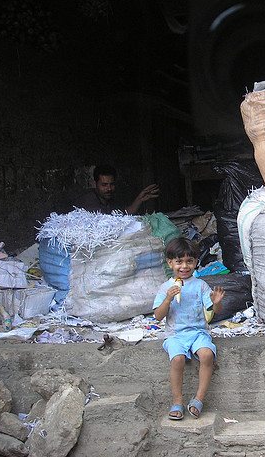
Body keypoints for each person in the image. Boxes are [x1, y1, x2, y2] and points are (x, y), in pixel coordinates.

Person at [153, 237, 225, 420]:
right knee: (177, 359)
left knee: (207, 355)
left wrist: (216, 304)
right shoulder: (165, 288)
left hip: (199, 332)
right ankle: (177, 401)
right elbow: (158, 316)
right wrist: (168, 299)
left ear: (195, 263)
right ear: (170, 263)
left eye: (189, 261)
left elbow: (214, 311)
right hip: (175, 334)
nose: (184, 266)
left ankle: (199, 399)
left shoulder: (200, 285)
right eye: (179, 262)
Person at [74, 164, 160, 214]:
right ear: (95, 183)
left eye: (112, 184)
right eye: (104, 185)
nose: (109, 189)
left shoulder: (109, 199)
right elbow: (110, 221)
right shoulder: (89, 200)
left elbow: (124, 213)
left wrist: (140, 199)